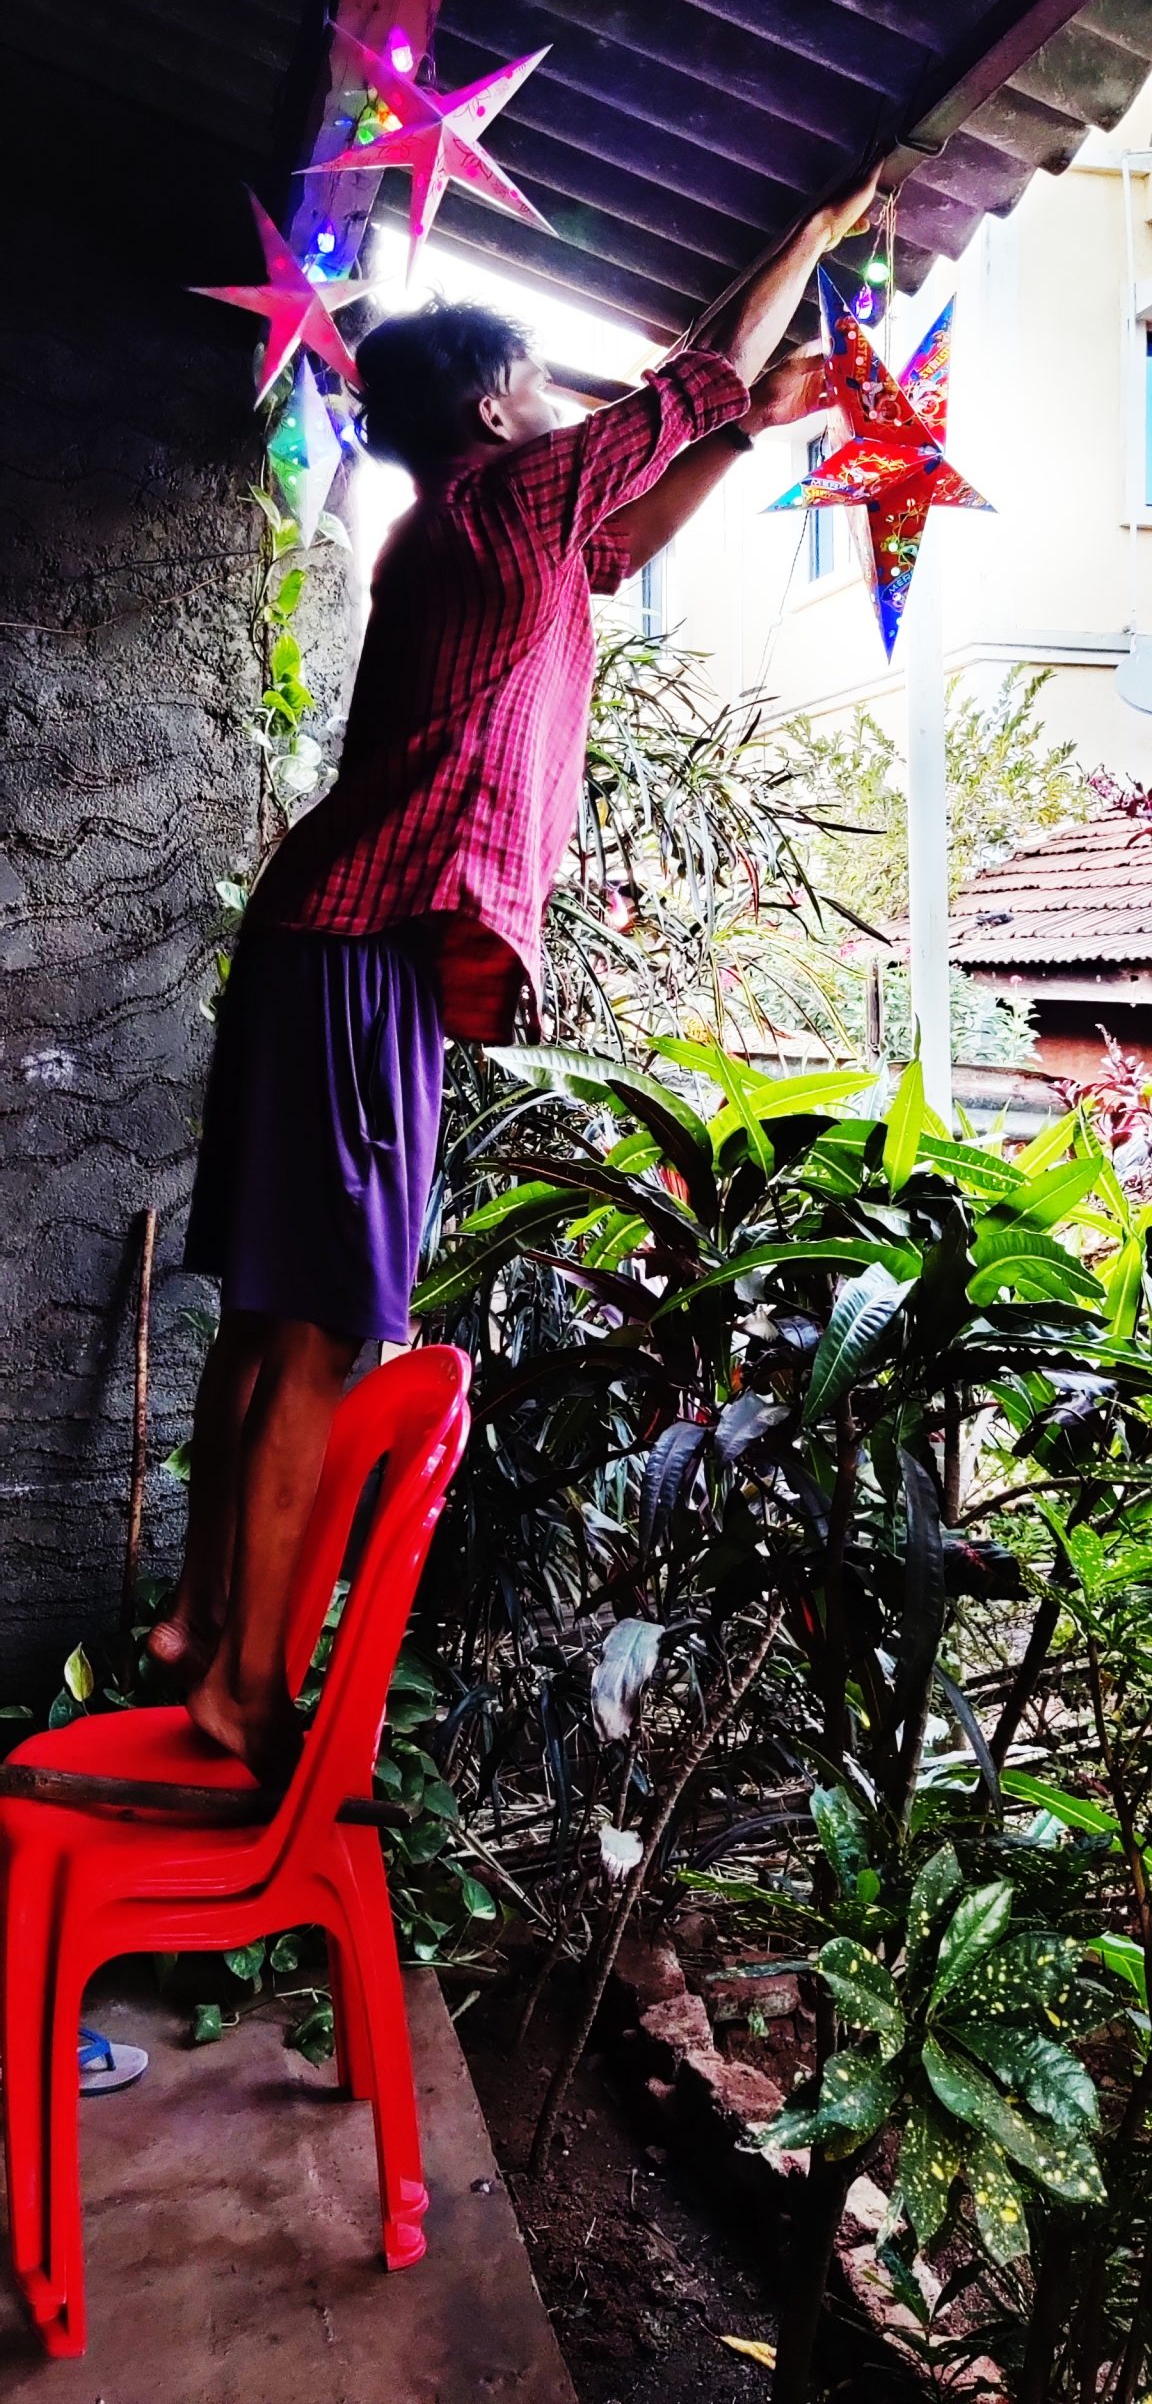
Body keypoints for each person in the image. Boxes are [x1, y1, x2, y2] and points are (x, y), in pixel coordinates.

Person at [151, 176, 879, 1778]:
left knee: (276, 1316)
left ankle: (206, 1625)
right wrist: (813, 237)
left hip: (325, 943)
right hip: (364, 959)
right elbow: (688, 377)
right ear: (496, 406)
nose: (567, 417)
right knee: (327, 1327)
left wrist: (743, 431)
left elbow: (619, 542)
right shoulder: (498, 503)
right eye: (547, 391)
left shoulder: (475, 537)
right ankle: (242, 1687)